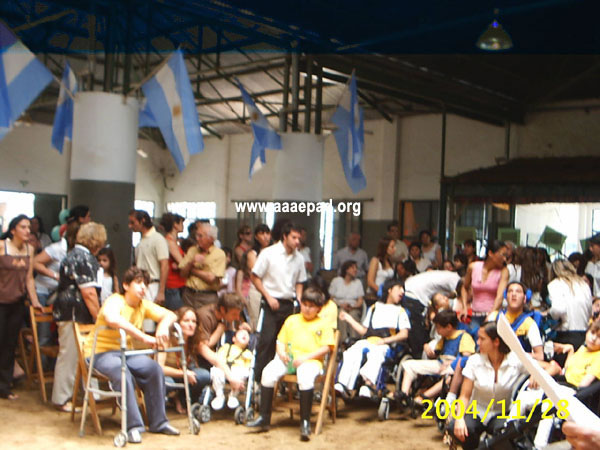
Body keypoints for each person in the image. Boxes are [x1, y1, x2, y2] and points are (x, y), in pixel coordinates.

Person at [84, 267, 179, 444]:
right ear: (126, 285)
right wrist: (143, 337)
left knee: (154, 369)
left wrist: (162, 327)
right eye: (138, 283)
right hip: (100, 353)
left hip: (125, 353)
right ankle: (133, 426)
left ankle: (159, 422)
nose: (143, 287)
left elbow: (171, 314)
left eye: (145, 284)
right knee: (122, 372)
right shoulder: (115, 300)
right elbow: (112, 318)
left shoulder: (143, 305)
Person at [247, 286, 334, 441]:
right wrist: (281, 353)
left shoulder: (323, 324)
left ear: (319, 308)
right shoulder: (292, 320)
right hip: (288, 359)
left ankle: (305, 422)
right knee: (268, 372)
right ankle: (264, 418)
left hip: (311, 361)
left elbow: (327, 347)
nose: (307, 309)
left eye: (311, 306)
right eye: (305, 304)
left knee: (305, 375)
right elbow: (280, 341)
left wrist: (305, 358)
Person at [52, 222, 106, 411]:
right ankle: (62, 399)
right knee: (70, 356)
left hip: (71, 312)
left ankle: (91, 394)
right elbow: (89, 293)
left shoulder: (74, 254)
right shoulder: (84, 258)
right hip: (73, 313)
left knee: (84, 355)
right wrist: (99, 317)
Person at [448, 321, 527, 450]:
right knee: (457, 428)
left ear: (496, 342)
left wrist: (534, 375)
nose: (478, 342)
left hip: (501, 413)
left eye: (482, 339)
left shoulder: (515, 360)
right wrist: (459, 418)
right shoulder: (474, 361)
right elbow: (464, 396)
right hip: (477, 411)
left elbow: (550, 367)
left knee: (508, 434)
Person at [251, 222, 307, 381]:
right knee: (267, 341)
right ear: (285, 236)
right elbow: (255, 277)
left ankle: (281, 381)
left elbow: (300, 281)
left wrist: (299, 298)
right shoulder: (269, 253)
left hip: (289, 303)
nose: (297, 241)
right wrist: (268, 297)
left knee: (287, 343)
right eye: (294, 237)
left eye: (299, 238)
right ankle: (259, 380)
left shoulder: (299, 258)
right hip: (270, 302)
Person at [335, 279, 410, 398]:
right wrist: (348, 318)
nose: (402, 292)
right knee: (352, 351)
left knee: (376, 354)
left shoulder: (401, 311)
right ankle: (343, 384)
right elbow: (363, 331)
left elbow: (404, 334)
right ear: (390, 290)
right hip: (369, 340)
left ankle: (368, 385)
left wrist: (384, 341)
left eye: (403, 289)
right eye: (399, 288)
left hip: (386, 343)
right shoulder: (374, 308)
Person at [0, 215, 42, 400]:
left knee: (10, 345)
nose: (27, 230)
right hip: (0, 302)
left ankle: (4, 386)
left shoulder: (29, 250)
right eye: (23, 227)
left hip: (16, 303)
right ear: (13, 230)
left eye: (28, 227)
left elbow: (29, 278)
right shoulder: (2, 246)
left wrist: (35, 301)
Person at [399, 310, 475, 403]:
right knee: (409, 365)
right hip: (440, 363)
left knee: (448, 377)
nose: (437, 331)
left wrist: (451, 363)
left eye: (438, 328)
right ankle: (404, 394)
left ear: (448, 327)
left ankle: (424, 397)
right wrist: (427, 349)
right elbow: (436, 354)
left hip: (454, 368)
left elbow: (466, 358)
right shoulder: (444, 338)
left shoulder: (464, 337)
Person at [196, 294, 249, 400]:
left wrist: (243, 330)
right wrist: (220, 330)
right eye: (234, 314)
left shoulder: (226, 318)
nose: (237, 318)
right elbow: (203, 346)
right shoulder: (205, 316)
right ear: (223, 309)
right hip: (199, 358)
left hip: (218, 355)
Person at [403, 269, 461, 358]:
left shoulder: (445, 275)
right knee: (417, 329)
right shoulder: (455, 279)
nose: (446, 298)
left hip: (410, 288)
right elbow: (459, 295)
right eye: (443, 298)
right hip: (415, 295)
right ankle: (417, 355)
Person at [158, 306, 203, 414]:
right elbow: (159, 367)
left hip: (182, 374)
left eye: (194, 321)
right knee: (167, 382)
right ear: (177, 323)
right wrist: (183, 373)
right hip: (167, 375)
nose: (191, 325)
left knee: (203, 375)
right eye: (186, 321)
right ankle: (170, 399)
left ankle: (183, 401)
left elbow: (213, 357)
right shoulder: (166, 339)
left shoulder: (193, 340)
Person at [128, 210, 169, 331]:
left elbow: (164, 265)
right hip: (140, 283)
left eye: (133, 222)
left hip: (152, 285)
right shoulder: (141, 241)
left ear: (143, 221)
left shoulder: (158, 239)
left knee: (148, 322)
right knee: (139, 320)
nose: (130, 226)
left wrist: (161, 291)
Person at [487, 281, 544, 360]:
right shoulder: (494, 317)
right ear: (506, 297)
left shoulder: (529, 323)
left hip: (518, 364)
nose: (514, 294)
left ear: (525, 298)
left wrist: (515, 356)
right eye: (510, 291)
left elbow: (539, 356)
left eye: (518, 291)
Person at [460, 240, 509, 328]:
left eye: (506, 256)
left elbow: (500, 297)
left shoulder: (504, 271)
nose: (504, 259)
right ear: (491, 253)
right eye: (503, 255)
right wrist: (464, 307)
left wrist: (491, 315)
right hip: (475, 314)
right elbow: (464, 287)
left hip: (493, 315)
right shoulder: (473, 267)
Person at [548, 259, 592, 351]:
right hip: (583, 333)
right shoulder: (583, 284)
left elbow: (558, 309)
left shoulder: (555, 284)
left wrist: (551, 314)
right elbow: (589, 309)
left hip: (565, 335)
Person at [179, 222, 225, 308]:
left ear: (211, 238)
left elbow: (211, 278)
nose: (197, 238)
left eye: (200, 236)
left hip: (207, 297)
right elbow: (182, 274)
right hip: (189, 294)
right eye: (196, 235)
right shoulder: (192, 250)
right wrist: (191, 263)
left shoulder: (219, 254)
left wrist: (192, 270)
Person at [210, 327, 253, 410]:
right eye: (241, 333)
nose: (244, 334)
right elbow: (219, 359)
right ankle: (219, 395)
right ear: (234, 338)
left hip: (238, 370)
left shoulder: (248, 354)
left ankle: (233, 395)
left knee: (243, 372)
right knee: (215, 370)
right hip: (224, 368)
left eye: (247, 335)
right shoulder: (226, 347)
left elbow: (248, 367)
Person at [244, 223, 271, 330]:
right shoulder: (252, 253)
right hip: (256, 289)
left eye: (267, 233)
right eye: (262, 233)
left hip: (271, 288)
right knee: (254, 319)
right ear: (256, 236)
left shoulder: (275, 252)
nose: (265, 236)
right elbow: (256, 272)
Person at [328, 260, 364, 341]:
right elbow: (331, 299)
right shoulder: (336, 281)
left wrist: (353, 307)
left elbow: (360, 300)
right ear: (346, 269)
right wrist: (340, 305)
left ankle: (354, 340)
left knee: (353, 315)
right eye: (353, 268)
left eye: (356, 268)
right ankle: (343, 341)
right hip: (339, 306)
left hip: (353, 308)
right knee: (341, 315)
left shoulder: (358, 283)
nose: (355, 270)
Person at [160, 212, 186, 312]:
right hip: (172, 285)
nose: (183, 226)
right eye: (181, 223)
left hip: (177, 284)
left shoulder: (174, 242)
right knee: (176, 314)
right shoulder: (170, 242)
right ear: (175, 224)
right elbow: (182, 263)